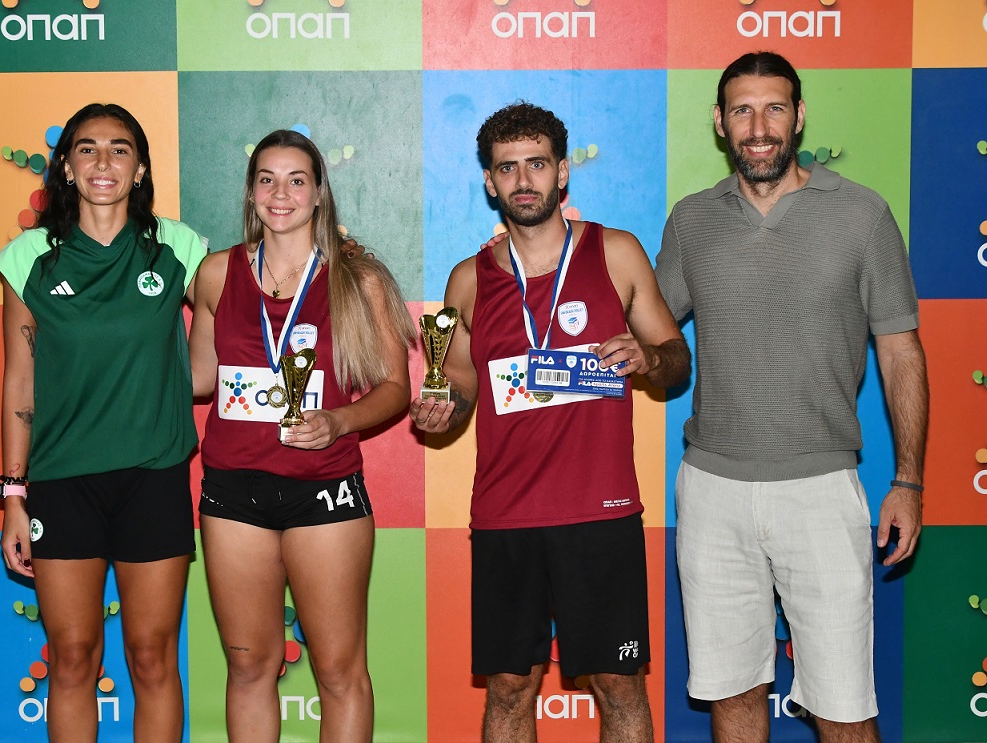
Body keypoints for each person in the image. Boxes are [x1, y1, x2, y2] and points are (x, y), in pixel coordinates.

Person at [655, 52, 928, 743]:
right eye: (742, 111)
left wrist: (908, 481)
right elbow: (648, 335)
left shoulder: (862, 214)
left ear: (799, 116)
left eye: (774, 108)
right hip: (712, 491)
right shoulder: (691, 220)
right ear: (719, 123)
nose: (759, 128)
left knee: (844, 707)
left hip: (821, 491)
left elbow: (900, 351)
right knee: (733, 695)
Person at [411, 102, 691, 742]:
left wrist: (648, 358)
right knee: (510, 689)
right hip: (506, 514)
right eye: (507, 168)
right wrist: (441, 409)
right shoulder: (467, 281)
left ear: (562, 172)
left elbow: (676, 359)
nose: (523, 180)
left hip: (600, 509)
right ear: (490, 181)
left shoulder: (616, 252)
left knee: (619, 685)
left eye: (536, 164)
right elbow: (460, 385)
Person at [189, 129, 414, 743]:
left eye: (296, 181)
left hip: (325, 489)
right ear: (250, 192)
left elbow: (396, 388)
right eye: (267, 180)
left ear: (319, 193)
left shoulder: (359, 278)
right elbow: (200, 378)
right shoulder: (215, 274)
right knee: (248, 668)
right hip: (232, 491)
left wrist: (338, 421)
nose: (280, 194)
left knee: (339, 673)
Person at [0, 103, 208, 742]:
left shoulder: (178, 247)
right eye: (87, 148)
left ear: (140, 168)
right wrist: (13, 494)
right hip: (62, 482)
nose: (103, 161)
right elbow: (20, 381)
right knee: (72, 659)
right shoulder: (29, 257)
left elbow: (240, 328)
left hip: (155, 477)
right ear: (66, 165)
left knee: (152, 658)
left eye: (120, 148)